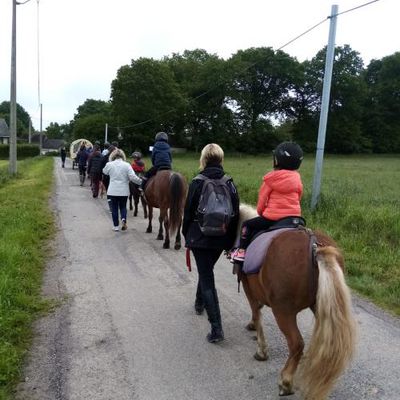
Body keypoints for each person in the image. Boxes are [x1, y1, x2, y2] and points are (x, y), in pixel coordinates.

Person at [182, 143, 239, 343]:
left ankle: (216, 329)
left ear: (203, 159)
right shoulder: (229, 182)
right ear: (221, 159)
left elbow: (188, 212)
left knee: (207, 277)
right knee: (206, 270)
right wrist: (230, 241)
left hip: (199, 237)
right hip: (221, 237)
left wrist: (185, 234)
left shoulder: (197, 182)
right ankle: (199, 303)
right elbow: (235, 213)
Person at [231, 142, 304, 262]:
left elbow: (262, 200)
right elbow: (299, 196)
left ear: (277, 160)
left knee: (247, 225)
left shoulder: (271, 179)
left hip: (272, 218)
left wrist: (261, 213)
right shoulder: (297, 179)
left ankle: (241, 252)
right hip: (294, 218)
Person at [102, 148, 142, 231]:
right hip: (123, 191)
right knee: (123, 207)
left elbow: (104, 172)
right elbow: (132, 177)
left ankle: (116, 226)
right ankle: (123, 219)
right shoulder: (127, 165)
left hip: (112, 190)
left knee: (114, 209)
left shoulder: (109, 164)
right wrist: (141, 182)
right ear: (122, 156)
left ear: (113, 156)